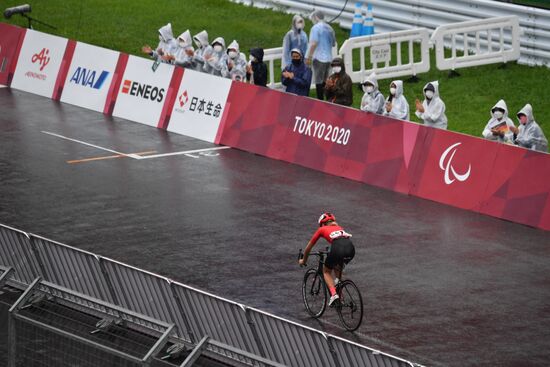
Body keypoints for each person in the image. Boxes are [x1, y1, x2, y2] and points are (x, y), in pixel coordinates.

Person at [299, 213, 355, 307]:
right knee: (337, 266)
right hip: (351, 250)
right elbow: (341, 241)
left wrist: (303, 261)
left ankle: (334, 295)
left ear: (322, 224)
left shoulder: (321, 229)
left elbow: (308, 248)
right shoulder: (339, 227)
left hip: (337, 249)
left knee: (326, 271)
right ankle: (339, 290)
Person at [305, 10, 336, 100]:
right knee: (326, 80)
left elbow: (314, 43)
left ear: (316, 17)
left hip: (319, 58)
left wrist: (309, 56)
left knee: (319, 81)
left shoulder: (315, 28)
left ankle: (320, 101)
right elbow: (333, 43)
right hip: (329, 58)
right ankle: (329, 100)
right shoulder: (330, 28)